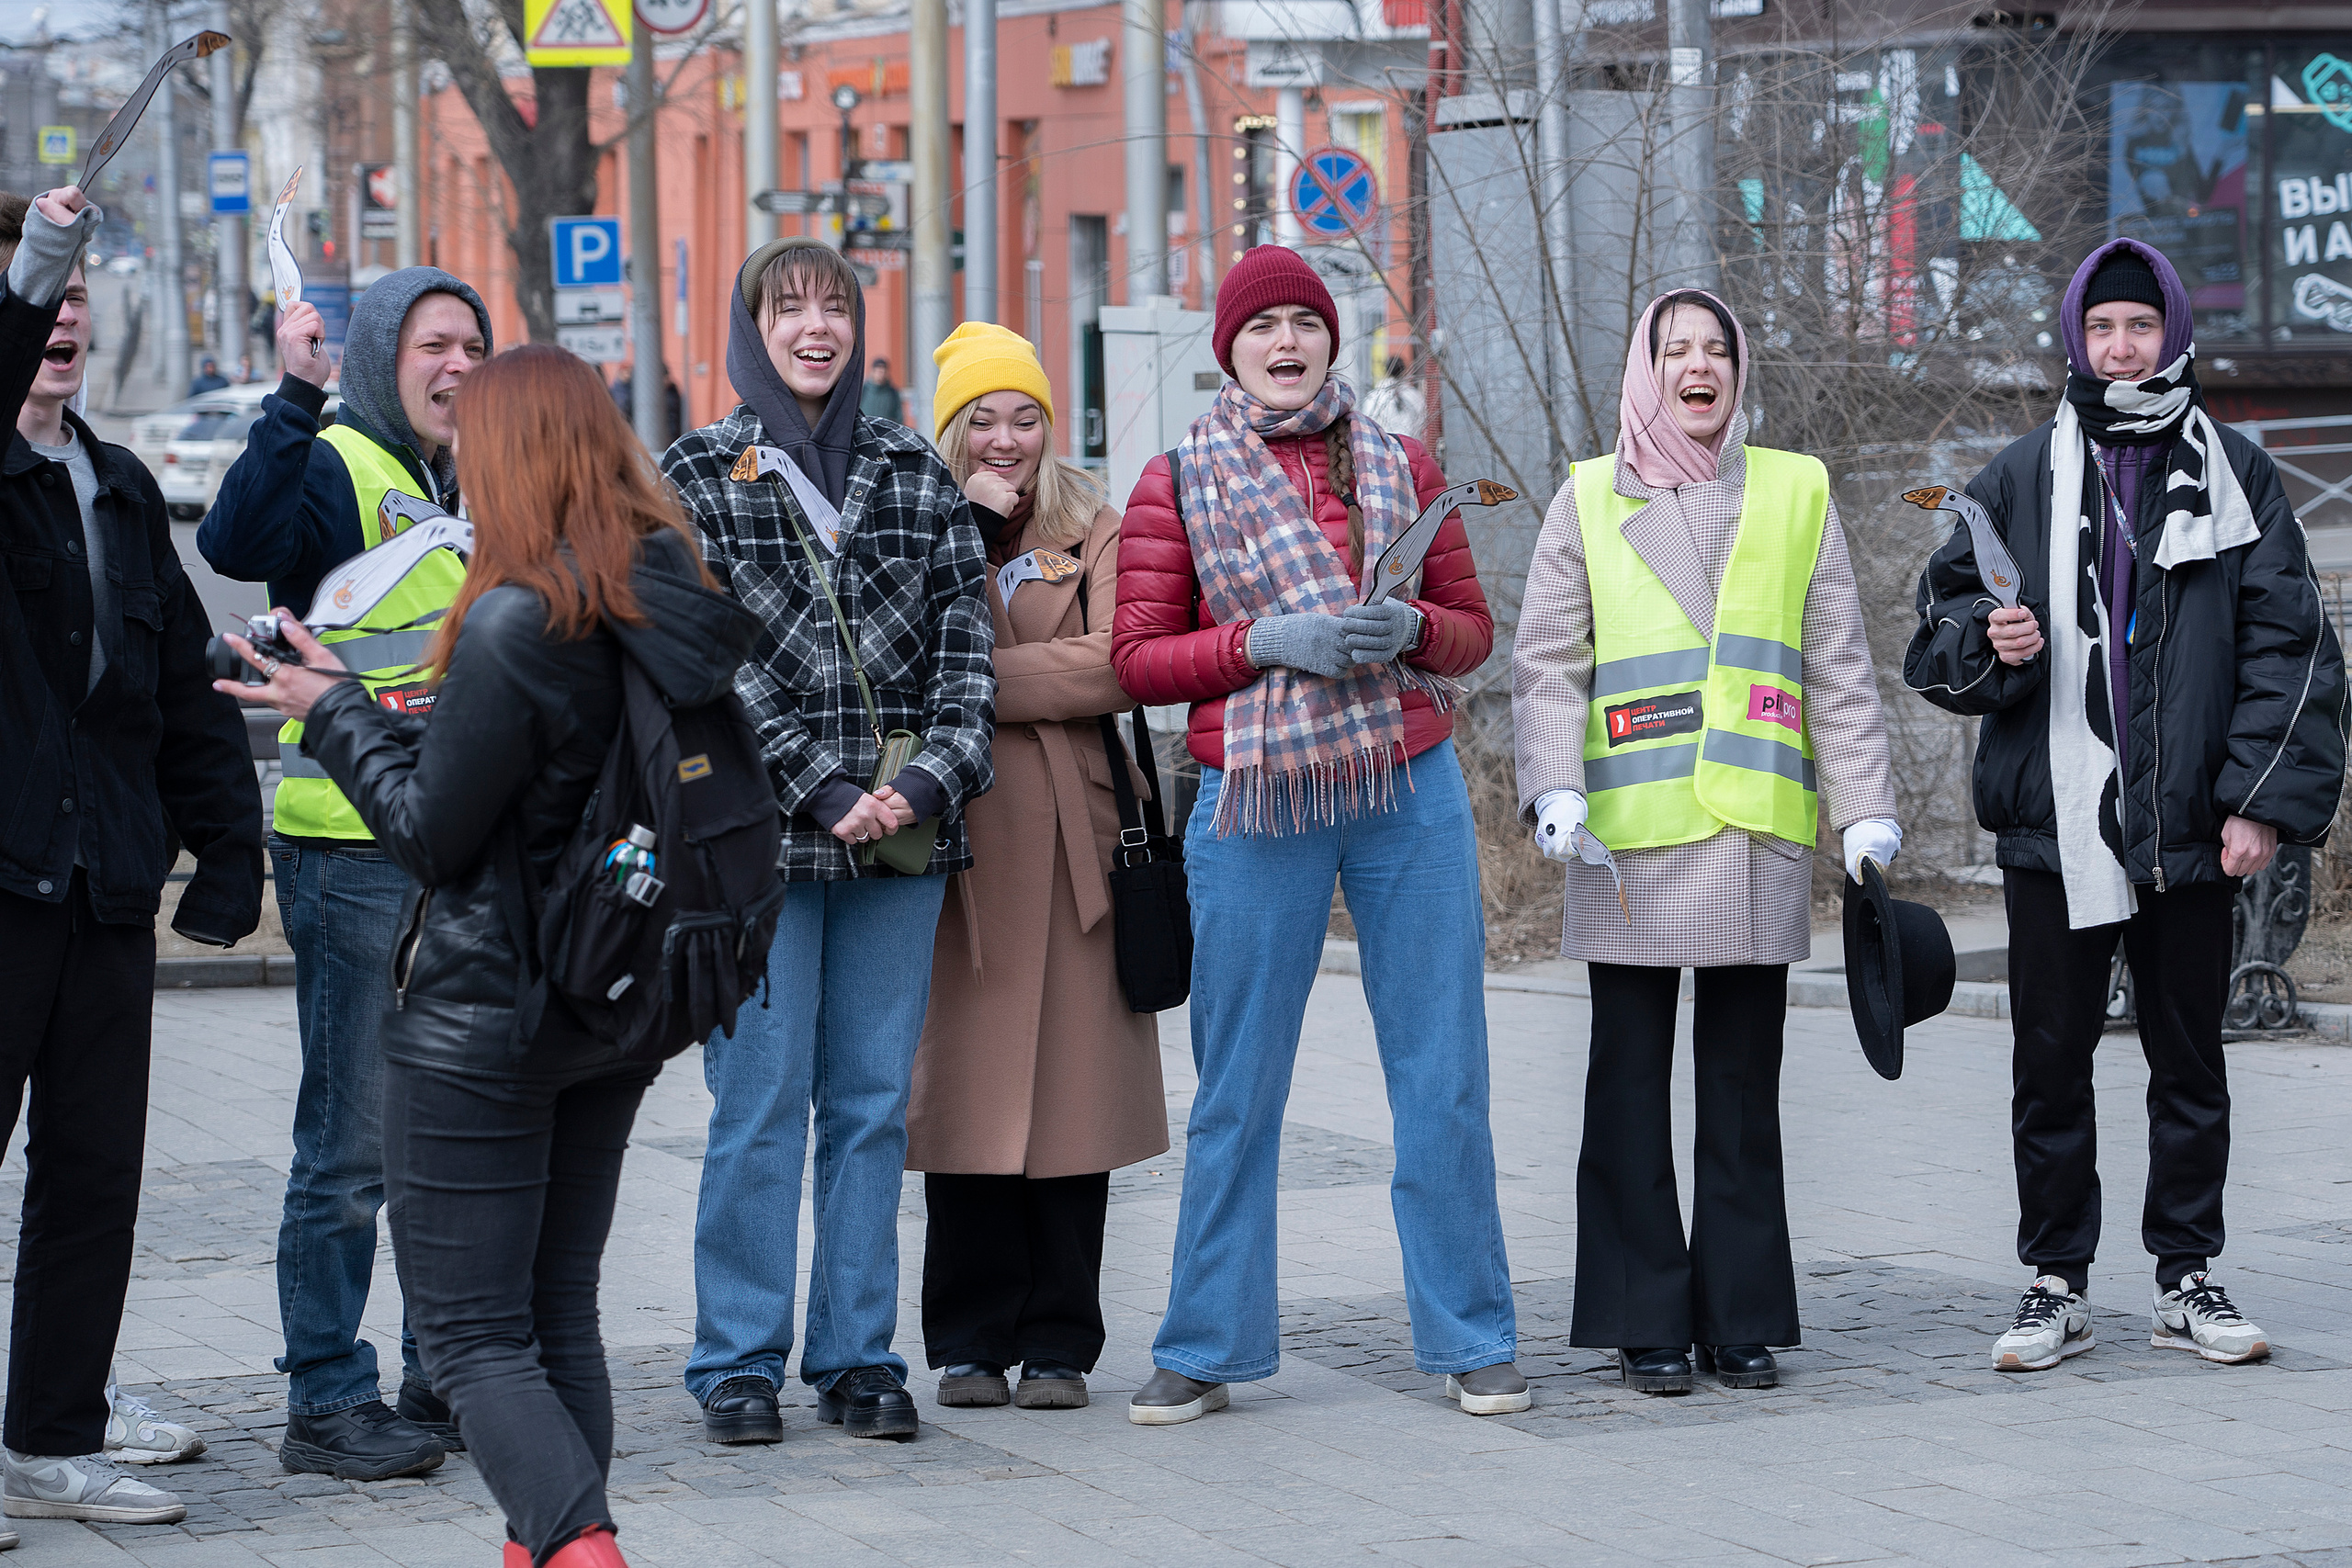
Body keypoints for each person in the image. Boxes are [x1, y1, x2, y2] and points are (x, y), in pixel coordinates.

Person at [219, 344, 759, 1568]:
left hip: (489, 1013)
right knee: (557, 1304)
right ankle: (546, 1546)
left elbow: (426, 835)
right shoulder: (663, 582)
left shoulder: (518, 619)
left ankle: (579, 1546)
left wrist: (333, 709)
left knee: (468, 1337)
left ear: (511, 452)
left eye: (472, 433)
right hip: (614, 987)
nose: (456, 450)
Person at [1905, 239, 2346, 1373]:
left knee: (2187, 1058)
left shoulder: (2238, 475)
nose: (2119, 346)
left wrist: (2258, 803)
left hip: (2192, 824)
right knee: (2048, 1058)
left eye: (2138, 328)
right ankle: (2054, 1282)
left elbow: (2288, 650)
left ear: (2173, 335)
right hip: (2054, 828)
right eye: (2100, 329)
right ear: (2073, 340)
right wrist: (1989, 646)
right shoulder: (2013, 479)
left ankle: (2184, 1275)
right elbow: (1936, 638)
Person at [1112, 244, 1521, 1426]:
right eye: (1261, 326)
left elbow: (1470, 632)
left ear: (1330, 340)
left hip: (1408, 785)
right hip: (1255, 802)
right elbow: (1137, 659)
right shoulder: (1173, 482)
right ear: (1227, 347)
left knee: (1442, 1076)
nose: (1285, 343)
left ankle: (1471, 1336)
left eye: (1304, 322)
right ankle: (1205, 1342)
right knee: (1238, 1085)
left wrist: (1413, 628)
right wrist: (1262, 644)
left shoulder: (1401, 462)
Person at [1510, 289, 1901, 1395]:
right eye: (1674, 348)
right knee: (1626, 1085)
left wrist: (1863, 806)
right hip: (1623, 838)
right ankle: (1645, 1319)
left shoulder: (1794, 488)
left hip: (1753, 825)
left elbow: (1837, 662)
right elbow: (1547, 661)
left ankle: (1738, 1316)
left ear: (1737, 370)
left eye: (1715, 348)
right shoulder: (1587, 497)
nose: (1698, 364)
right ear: (1644, 368)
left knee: (1742, 1086)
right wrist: (1552, 787)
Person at [666, 238, 993, 1444]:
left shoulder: (913, 465)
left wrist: (926, 782)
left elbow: (970, 646)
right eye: (788, 306)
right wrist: (816, 783)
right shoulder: (700, 469)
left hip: (901, 842)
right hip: (758, 840)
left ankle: (858, 1354)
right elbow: (701, 651)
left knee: (869, 1102)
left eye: (836, 306)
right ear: (752, 325)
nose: (816, 327)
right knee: (759, 1097)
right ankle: (736, 1359)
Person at [198, 265, 492, 1480]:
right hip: (352, 849)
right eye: (433, 344)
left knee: (453, 1128)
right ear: (381, 356)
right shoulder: (335, 466)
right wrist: (290, 395)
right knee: (354, 1138)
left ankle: (441, 1373)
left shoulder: (479, 478)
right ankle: (324, 1396)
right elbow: (234, 540)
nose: (458, 366)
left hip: (463, 841)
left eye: (475, 344)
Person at [0, 186, 262, 1538]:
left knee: (94, 1169)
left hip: (102, 878)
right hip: (2, 878)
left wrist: (227, 848)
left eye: (77, 291)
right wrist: (33, 255)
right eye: (39, 294)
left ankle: (54, 1430)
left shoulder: (116, 481)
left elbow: (176, 690)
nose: (59, 315)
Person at [906, 321, 1166, 1412]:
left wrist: (975, 678)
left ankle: (1061, 1341)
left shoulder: (1093, 523)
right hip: (954, 838)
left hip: (1075, 845)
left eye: (1024, 417)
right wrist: (962, 547)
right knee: (964, 1098)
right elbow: (902, 653)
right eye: (982, 418)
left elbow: (1117, 665)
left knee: (1073, 1101)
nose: (1004, 438)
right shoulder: (920, 521)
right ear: (952, 428)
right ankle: (968, 1340)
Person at [1360, 354, 1425, 439]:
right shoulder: (1414, 396)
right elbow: (1422, 422)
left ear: (1386, 370)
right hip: (1409, 445)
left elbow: (1368, 421)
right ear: (1404, 371)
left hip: (1383, 444)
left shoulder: (1374, 397)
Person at [861, 355, 904, 424]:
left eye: (883, 371)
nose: (881, 374)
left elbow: (899, 416)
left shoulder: (892, 393)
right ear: (872, 372)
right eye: (878, 371)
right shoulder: (863, 390)